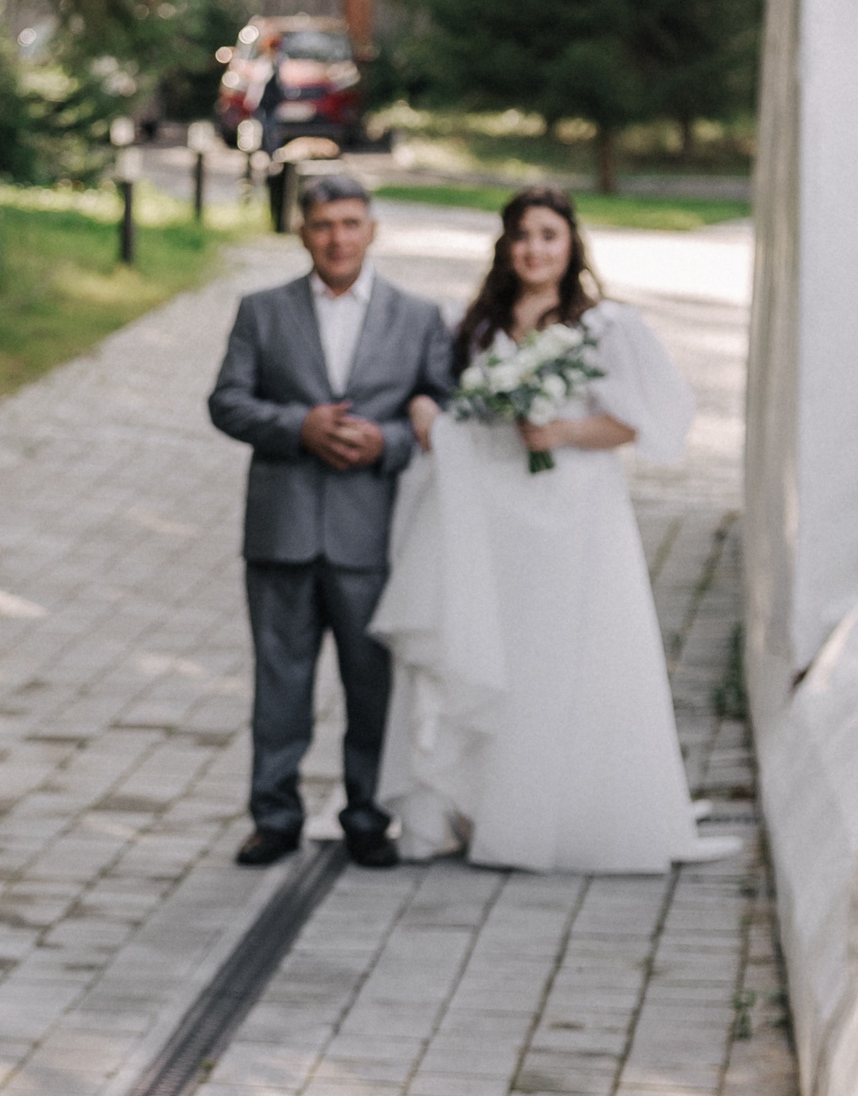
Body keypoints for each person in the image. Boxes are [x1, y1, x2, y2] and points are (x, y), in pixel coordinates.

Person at [375, 186, 740, 871]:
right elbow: (450, 398)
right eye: (521, 236)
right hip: (493, 511)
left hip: (572, 511)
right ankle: (489, 803)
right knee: (502, 649)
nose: (533, 249)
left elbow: (642, 421)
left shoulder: (604, 326)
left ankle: (568, 811)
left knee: (566, 654)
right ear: (504, 247)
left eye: (547, 235)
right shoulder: (476, 324)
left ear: (570, 244)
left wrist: (563, 428)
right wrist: (429, 409)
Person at [208, 173, 455, 870]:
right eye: (323, 225)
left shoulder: (418, 316)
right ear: (302, 232)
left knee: (371, 682)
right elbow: (227, 401)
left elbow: (444, 407)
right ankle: (275, 815)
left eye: (350, 223)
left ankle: (368, 815)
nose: (337, 237)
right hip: (281, 527)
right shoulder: (262, 311)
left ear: (372, 230)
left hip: (372, 529)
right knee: (279, 679)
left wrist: (388, 443)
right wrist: (298, 425)